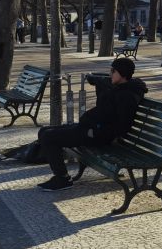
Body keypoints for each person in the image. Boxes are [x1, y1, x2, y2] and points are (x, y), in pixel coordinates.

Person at [34, 57, 148, 192]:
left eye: (113, 71)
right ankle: (59, 171)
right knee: (44, 131)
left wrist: (94, 132)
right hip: (89, 128)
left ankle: (62, 178)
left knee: (48, 137)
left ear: (122, 74)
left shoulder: (127, 97)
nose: (110, 73)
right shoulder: (120, 88)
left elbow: (123, 126)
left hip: (95, 135)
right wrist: (96, 80)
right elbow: (105, 102)